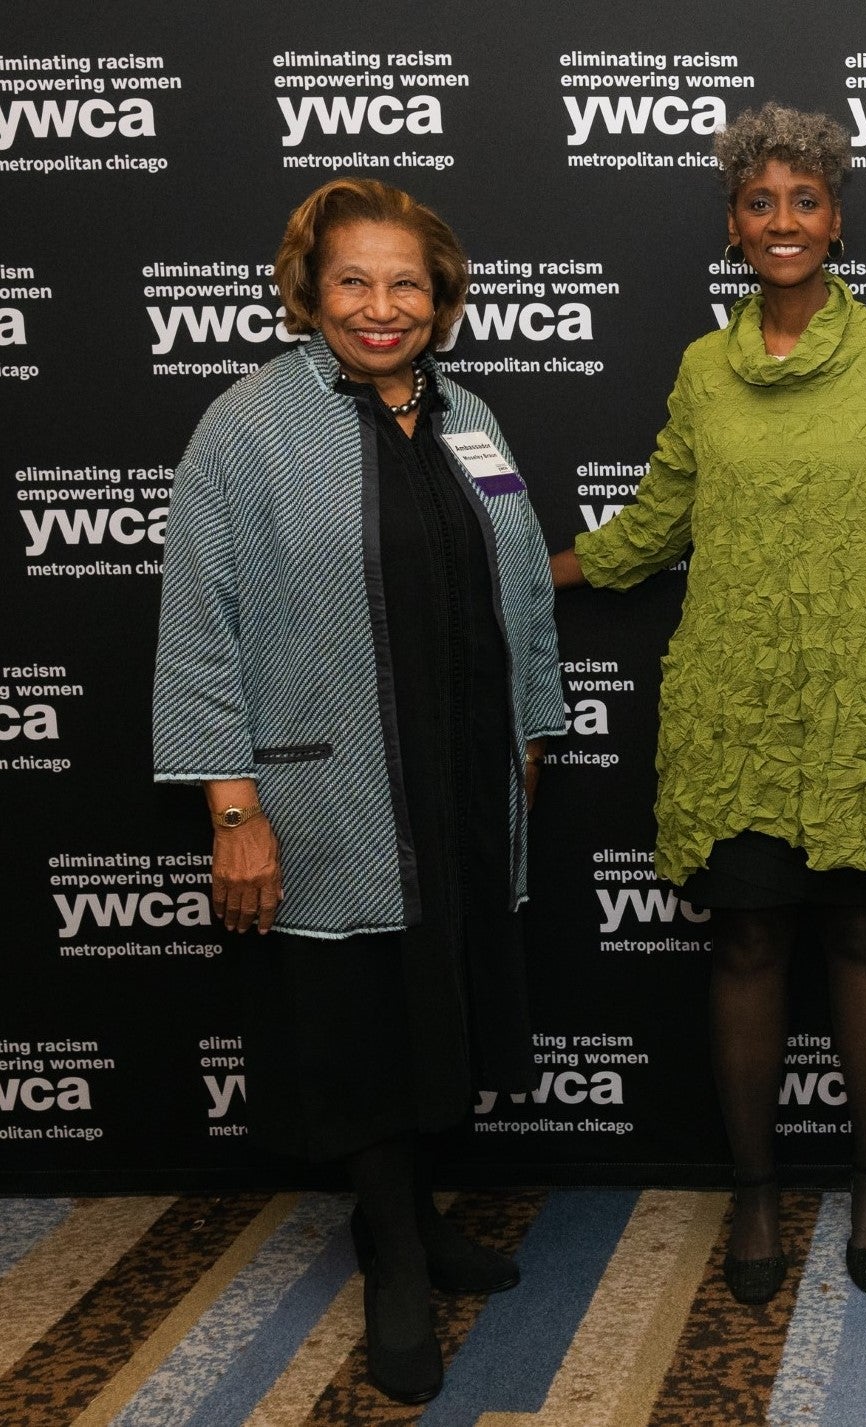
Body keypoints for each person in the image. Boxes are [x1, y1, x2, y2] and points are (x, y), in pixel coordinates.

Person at [153, 179, 565, 1404]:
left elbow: (524, 584)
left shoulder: (469, 413)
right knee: (358, 1016)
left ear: (440, 301)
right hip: (328, 786)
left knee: (434, 996)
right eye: (353, 281)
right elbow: (197, 631)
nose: (381, 307)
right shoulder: (244, 428)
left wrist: (532, 733)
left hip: (459, 775)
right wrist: (233, 810)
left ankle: (421, 1218)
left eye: (406, 284)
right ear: (306, 291)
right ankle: (390, 1253)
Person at [550, 103, 866, 1304]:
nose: (783, 221)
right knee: (744, 940)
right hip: (730, 705)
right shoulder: (702, 370)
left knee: (865, 935)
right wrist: (532, 567)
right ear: (732, 224)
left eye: (805, 199)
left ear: (837, 218)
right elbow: (655, 521)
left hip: (859, 708)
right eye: (759, 201)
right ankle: (755, 1190)